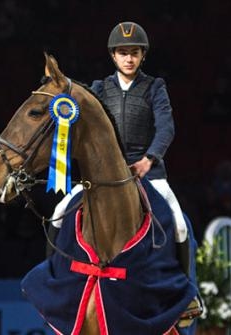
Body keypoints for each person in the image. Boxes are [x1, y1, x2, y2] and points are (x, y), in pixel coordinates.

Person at [51, 21, 188, 246]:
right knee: (58, 213)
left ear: (143, 55)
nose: (129, 59)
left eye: (134, 53)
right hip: (104, 174)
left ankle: (184, 281)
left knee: (180, 225)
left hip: (147, 173)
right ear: (113, 56)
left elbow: (166, 127)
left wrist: (149, 160)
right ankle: (52, 275)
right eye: (123, 53)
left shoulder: (155, 87)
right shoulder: (100, 89)